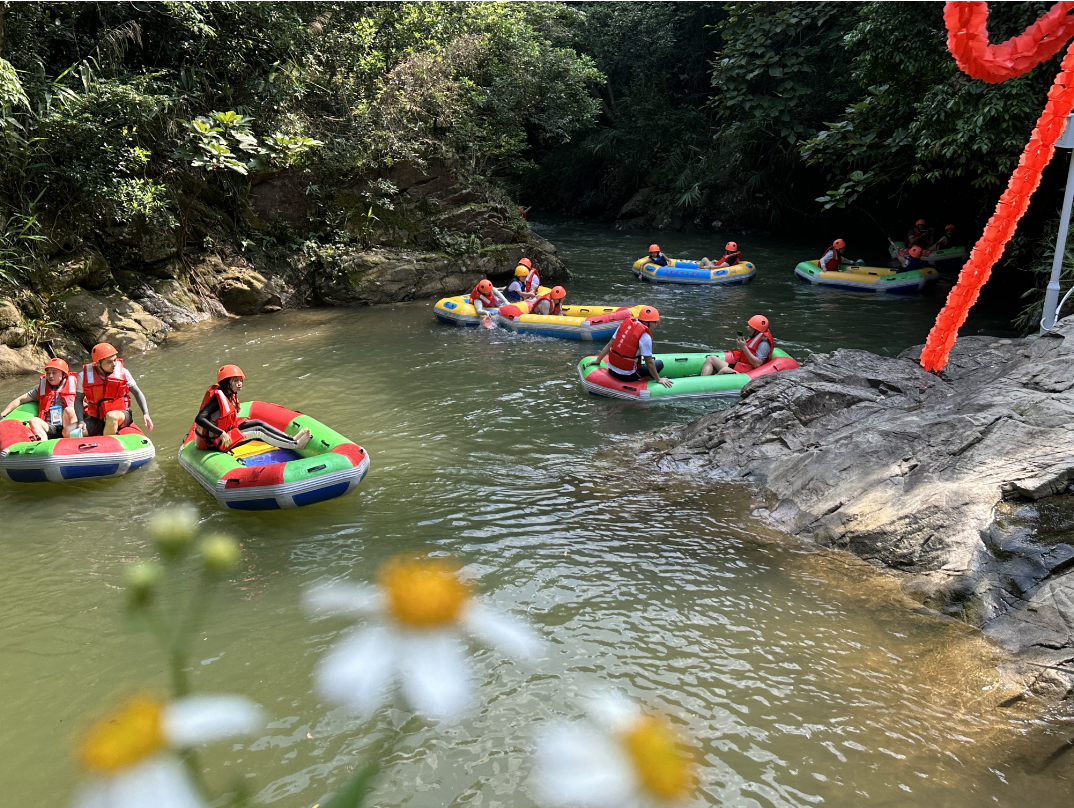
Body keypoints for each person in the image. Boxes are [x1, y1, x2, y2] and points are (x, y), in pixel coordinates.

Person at [194, 365, 311, 452]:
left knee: (258, 423)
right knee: (257, 432)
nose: (240, 384)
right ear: (225, 383)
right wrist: (221, 433)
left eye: (240, 380)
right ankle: (296, 445)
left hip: (229, 431)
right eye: (235, 381)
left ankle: (291, 439)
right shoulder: (216, 400)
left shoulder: (229, 394)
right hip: (220, 442)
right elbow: (200, 418)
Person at [75, 342, 153, 437]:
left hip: (121, 414)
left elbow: (137, 393)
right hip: (97, 418)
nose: (114, 364)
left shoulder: (124, 372)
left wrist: (146, 413)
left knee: (111, 416)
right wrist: (80, 420)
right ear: (98, 363)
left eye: (115, 360)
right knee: (68, 431)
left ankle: (106, 444)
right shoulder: (83, 376)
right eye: (109, 362)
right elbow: (78, 400)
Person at [588, 306, 673, 388]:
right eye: (655, 322)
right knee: (659, 364)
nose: (656, 325)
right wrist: (658, 379)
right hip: (627, 376)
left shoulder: (624, 326)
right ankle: (645, 382)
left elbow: (609, 344)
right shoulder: (645, 337)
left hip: (611, 370)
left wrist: (597, 360)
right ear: (648, 323)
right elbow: (649, 362)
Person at [1, 357, 81, 441]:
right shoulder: (41, 389)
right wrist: (3, 414)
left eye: (54, 373)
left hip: (68, 424)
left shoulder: (76, 386)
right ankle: (42, 446)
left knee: (70, 410)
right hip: (50, 426)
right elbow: (20, 400)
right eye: (48, 373)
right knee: (34, 421)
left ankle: (73, 441)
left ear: (64, 374)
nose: (50, 376)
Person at [700, 315, 774, 376]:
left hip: (749, 374)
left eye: (750, 327)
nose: (748, 328)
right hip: (741, 367)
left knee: (725, 370)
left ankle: (707, 383)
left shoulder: (764, 343)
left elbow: (757, 364)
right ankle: (701, 381)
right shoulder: (754, 336)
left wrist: (744, 348)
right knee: (711, 358)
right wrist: (742, 346)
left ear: (757, 330)